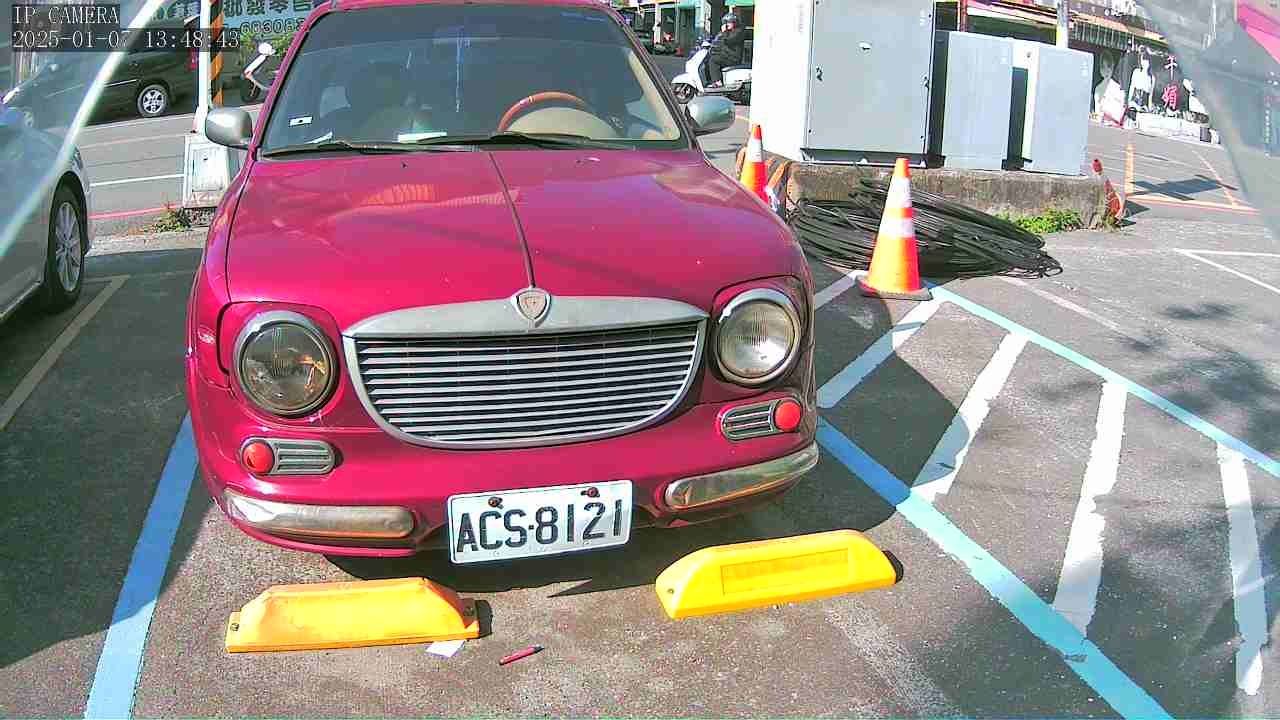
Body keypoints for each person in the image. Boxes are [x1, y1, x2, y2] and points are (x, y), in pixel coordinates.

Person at [705, 13, 748, 88]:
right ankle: (713, 80)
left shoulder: (739, 32)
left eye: (728, 22)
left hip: (733, 57)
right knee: (708, 59)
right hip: (727, 55)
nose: (727, 25)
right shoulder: (729, 31)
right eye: (725, 23)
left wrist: (724, 32)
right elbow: (719, 40)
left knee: (713, 60)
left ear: (734, 22)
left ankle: (717, 82)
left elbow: (728, 41)